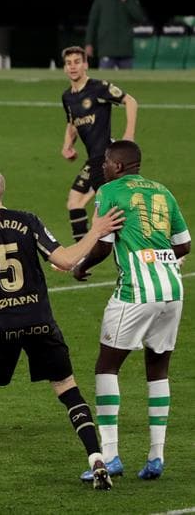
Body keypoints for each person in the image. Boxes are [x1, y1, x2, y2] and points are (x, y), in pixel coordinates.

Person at [0, 168, 125, 492]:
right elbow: (65, 261)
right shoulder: (28, 221)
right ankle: (96, 457)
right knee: (67, 388)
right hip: (40, 321)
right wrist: (95, 230)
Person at [73, 141, 190, 482]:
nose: (103, 168)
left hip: (136, 292)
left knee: (106, 366)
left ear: (119, 167)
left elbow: (103, 244)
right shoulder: (163, 191)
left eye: (107, 162)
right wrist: (156, 254)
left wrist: (80, 266)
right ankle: (156, 456)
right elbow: (184, 244)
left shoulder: (109, 191)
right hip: (172, 289)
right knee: (158, 369)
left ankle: (109, 456)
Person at [60, 46, 138, 242]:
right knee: (75, 203)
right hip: (93, 160)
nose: (73, 67)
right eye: (69, 63)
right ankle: (82, 256)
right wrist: (67, 145)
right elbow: (72, 123)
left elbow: (130, 101)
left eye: (77, 62)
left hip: (106, 159)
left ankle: (158, 246)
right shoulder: (67, 97)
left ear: (85, 64)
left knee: (107, 217)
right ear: (64, 68)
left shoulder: (98, 88)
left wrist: (129, 134)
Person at [85, 0, 146, 70]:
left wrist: (127, 0)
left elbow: (140, 18)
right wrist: (89, 43)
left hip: (125, 49)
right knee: (105, 81)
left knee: (126, 81)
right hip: (106, 48)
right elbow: (93, 22)